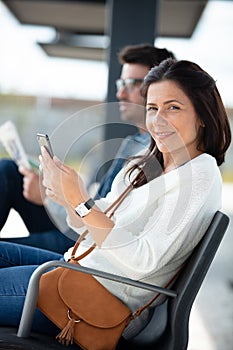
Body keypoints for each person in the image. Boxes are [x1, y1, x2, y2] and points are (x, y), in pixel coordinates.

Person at [0, 59, 231, 341]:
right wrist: (65, 197)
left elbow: (144, 260)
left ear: (202, 115)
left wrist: (81, 200)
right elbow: (93, 226)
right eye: (152, 108)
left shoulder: (199, 175)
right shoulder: (147, 165)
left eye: (173, 107)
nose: (158, 120)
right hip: (77, 271)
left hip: (93, 302)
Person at [0, 44, 175, 253]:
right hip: (80, 227)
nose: (120, 93)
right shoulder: (133, 142)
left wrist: (47, 198)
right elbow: (100, 204)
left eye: (131, 84)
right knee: (9, 171)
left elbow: (102, 222)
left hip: (85, 243)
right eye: (121, 83)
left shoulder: (154, 153)